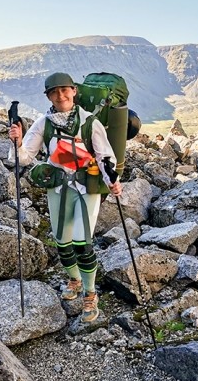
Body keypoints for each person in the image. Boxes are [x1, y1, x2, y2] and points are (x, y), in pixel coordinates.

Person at [8, 72, 122, 323]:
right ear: (48, 96)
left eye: (64, 90)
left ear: (74, 92)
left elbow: (105, 157)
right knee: (62, 242)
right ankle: (74, 279)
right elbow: (24, 157)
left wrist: (112, 181)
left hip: (84, 187)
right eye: (54, 92)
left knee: (83, 242)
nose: (60, 96)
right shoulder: (43, 123)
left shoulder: (90, 122)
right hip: (58, 187)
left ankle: (90, 294)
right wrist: (16, 142)